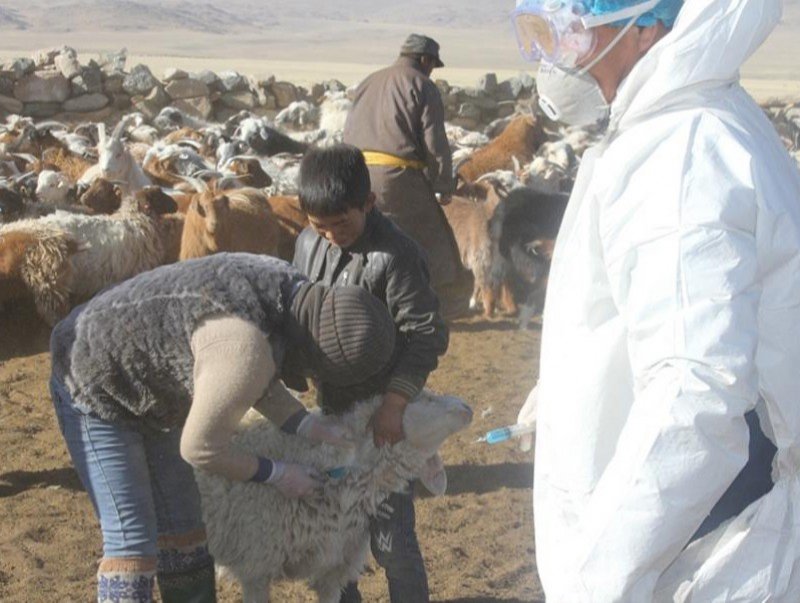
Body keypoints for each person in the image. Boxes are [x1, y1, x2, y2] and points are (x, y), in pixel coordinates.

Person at [512, 0, 800, 600]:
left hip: (709, 541)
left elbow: (697, 391)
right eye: (539, 34)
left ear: (644, 28)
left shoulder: (680, 150)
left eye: (568, 35)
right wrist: (570, 387)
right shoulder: (692, 119)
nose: (553, 62)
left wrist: (596, 583)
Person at [49, 254, 397, 603]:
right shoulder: (242, 345)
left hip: (153, 381)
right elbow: (200, 447)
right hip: (93, 375)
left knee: (185, 529)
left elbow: (250, 373)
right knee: (133, 541)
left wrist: (307, 425)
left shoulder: (291, 293)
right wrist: (277, 474)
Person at [292, 144, 449, 603]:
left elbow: (425, 334)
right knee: (334, 537)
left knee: (391, 541)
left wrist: (395, 405)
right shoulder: (308, 244)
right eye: (320, 226)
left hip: (383, 417)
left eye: (342, 224)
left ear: (368, 203)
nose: (331, 236)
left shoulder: (397, 255)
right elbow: (298, 307)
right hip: (329, 414)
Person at [343, 33, 467, 315]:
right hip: (397, 177)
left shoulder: (368, 81)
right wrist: (443, 183)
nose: (432, 69)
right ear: (425, 60)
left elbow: (348, 130)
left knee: (368, 235)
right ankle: (434, 303)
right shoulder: (422, 84)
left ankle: (363, 296)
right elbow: (435, 142)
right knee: (431, 237)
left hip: (359, 173)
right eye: (433, 64)